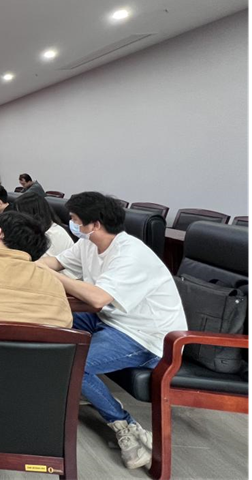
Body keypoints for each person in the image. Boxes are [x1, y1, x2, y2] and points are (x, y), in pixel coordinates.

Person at [37, 192, 187, 471]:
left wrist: (53, 276)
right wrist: (26, 264)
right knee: (48, 320)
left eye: (75, 220)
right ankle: (71, 391)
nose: (72, 225)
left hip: (147, 336)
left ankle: (125, 425)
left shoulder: (131, 254)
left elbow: (97, 298)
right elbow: (54, 263)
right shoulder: (89, 243)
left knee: (74, 364)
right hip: (109, 320)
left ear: (95, 224)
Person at [12, 192, 75, 259]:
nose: (18, 219)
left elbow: (39, 263)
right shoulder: (34, 232)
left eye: (20, 215)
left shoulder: (55, 235)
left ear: (32, 215)